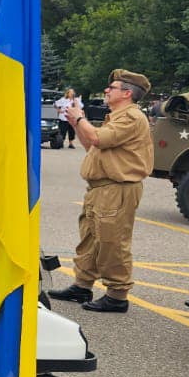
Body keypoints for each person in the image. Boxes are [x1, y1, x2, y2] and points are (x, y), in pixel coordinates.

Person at [49, 69, 154, 313]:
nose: (107, 90)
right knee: (91, 238)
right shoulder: (117, 116)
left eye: (112, 87)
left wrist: (78, 119)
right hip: (101, 188)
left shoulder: (131, 117)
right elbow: (91, 145)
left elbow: (97, 139)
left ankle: (117, 295)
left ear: (127, 93)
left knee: (112, 241)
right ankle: (82, 285)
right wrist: (78, 121)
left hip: (117, 188)